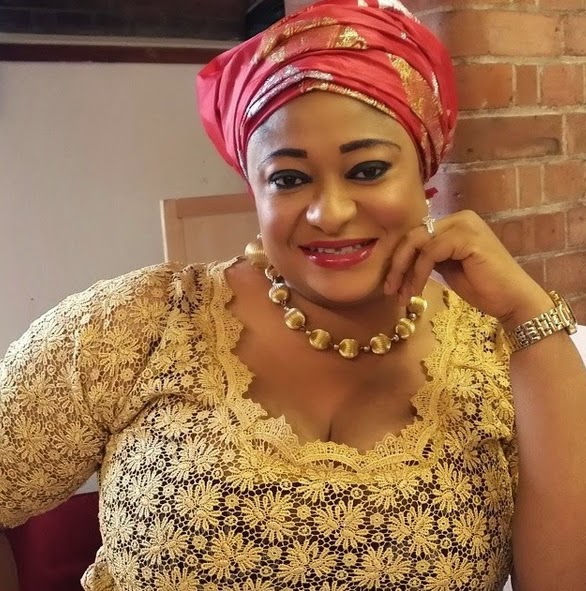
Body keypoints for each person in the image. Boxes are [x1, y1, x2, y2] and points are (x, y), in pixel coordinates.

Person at [1, 0, 585, 589]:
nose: (329, 213)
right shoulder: (139, 325)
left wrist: (530, 317)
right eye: (288, 179)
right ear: (254, 192)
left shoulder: (498, 357)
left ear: (424, 172)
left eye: (367, 170)